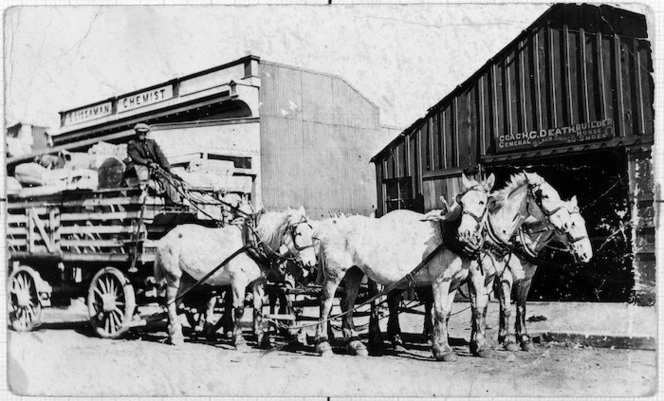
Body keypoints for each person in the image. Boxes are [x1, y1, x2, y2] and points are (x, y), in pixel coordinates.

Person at [127, 123, 178, 202]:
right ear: (136, 133)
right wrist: (149, 163)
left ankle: (175, 201)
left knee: (168, 178)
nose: (142, 134)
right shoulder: (132, 143)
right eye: (140, 132)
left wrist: (168, 168)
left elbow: (160, 156)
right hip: (139, 165)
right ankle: (143, 193)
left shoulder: (152, 142)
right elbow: (136, 158)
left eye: (144, 133)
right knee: (143, 173)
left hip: (153, 166)